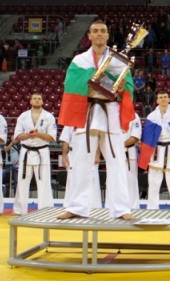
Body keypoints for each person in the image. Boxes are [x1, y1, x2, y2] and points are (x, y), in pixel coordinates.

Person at [56, 19, 134, 220]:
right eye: (95, 31)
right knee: (81, 162)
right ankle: (77, 207)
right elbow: (71, 87)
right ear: (89, 36)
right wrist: (92, 82)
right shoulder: (80, 61)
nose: (99, 34)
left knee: (117, 162)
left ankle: (122, 209)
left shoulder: (118, 60)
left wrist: (122, 86)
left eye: (103, 31)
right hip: (87, 111)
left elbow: (128, 87)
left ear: (108, 35)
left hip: (110, 112)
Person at [5, 93, 57, 216]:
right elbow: (17, 136)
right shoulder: (23, 116)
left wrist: (38, 134)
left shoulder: (49, 116)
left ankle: (45, 210)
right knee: (22, 181)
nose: (37, 100)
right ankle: (19, 209)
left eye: (39, 99)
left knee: (44, 181)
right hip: (26, 152)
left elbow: (52, 137)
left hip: (42, 152)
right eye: (34, 98)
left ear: (43, 102)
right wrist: (29, 135)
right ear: (30, 101)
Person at [139, 91, 170, 210]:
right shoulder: (152, 117)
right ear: (157, 101)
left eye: (165, 97)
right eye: (160, 97)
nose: (163, 99)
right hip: (156, 150)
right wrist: (147, 154)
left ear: (169, 99)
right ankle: (152, 208)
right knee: (153, 183)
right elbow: (147, 137)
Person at [59, 126, 102, 209]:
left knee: (92, 179)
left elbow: (99, 138)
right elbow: (65, 140)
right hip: (74, 152)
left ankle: (94, 206)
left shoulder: (94, 120)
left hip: (91, 153)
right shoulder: (70, 122)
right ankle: (70, 206)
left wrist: (97, 155)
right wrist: (64, 156)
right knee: (73, 179)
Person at [119, 113, 141, 209]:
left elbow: (136, 136)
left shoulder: (134, 116)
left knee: (131, 181)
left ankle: (133, 207)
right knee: (113, 181)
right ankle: (113, 207)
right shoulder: (112, 113)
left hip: (129, 152)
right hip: (114, 152)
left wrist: (121, 145)